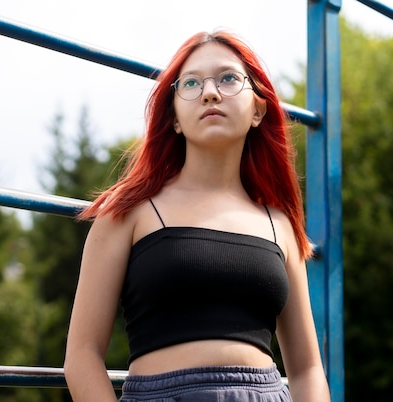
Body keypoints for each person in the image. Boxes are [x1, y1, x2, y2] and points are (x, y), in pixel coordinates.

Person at [64, 30, 331, 402]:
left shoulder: (279, 225)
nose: (210, 92)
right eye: (191, 83)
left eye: (228, 78)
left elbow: (307, 369)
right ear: (173, 117)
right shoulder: (128, 212)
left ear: (258, 109)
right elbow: (81, 357)